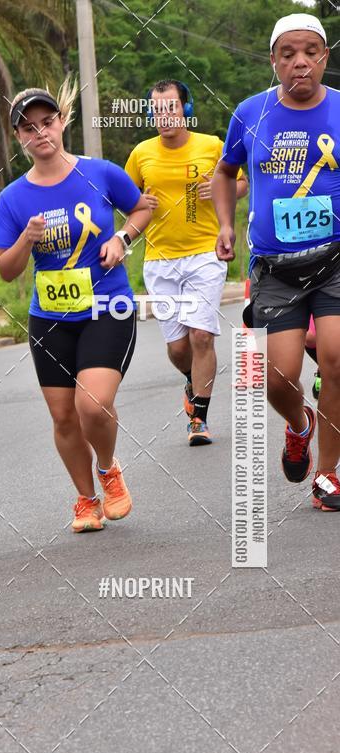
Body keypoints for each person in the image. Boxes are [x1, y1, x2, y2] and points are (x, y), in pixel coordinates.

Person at [0, 80, 152, 532]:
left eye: (47, 122)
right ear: (19, 138)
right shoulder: (12, 198)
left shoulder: (99, 173)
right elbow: (5, 269)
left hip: (108, 307)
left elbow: (141, 208)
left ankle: (107, 468)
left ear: (62, 122)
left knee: (93, 405)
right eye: (29, 128)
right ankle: (86, 500)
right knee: (64, 416)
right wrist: (26, 239)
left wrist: (122, 239)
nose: (40, 132)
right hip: (50, 318)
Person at [212, 13, 340, 511]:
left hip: (335, 259)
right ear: (273, 60)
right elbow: (226, 173)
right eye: (288, 54)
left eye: (310, 51)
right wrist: (225, 223)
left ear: (325, 57)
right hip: (276, 266)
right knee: (278, 376)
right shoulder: (251, 113)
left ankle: (329, 475)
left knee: (334, 358)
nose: (300, 62)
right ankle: (299, 425)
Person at [125, 80, 248, 445]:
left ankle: (199, 419)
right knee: (179, 348)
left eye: (171, 108)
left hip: (204, 255)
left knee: (200, 335)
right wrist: (137, 203)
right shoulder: (141, 153)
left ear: (185, 110)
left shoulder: (212, 145)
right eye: (157, 110)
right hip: (160, 261)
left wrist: (221, 189)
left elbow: (241, 183)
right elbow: (125, 198)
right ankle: (192, 380)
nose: (165, 117)